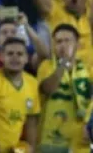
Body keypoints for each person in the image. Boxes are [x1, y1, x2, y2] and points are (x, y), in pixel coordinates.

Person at [37, 23, 92, 152]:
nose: (63, 45)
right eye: (58, 41)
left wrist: (90, 123)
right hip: (51, 140)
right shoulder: (46, 66)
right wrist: (63, 64)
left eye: (68, 41)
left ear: (77, 45)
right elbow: (48, 89)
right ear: (53, 46)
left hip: (80, 141)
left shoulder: (87, 69)